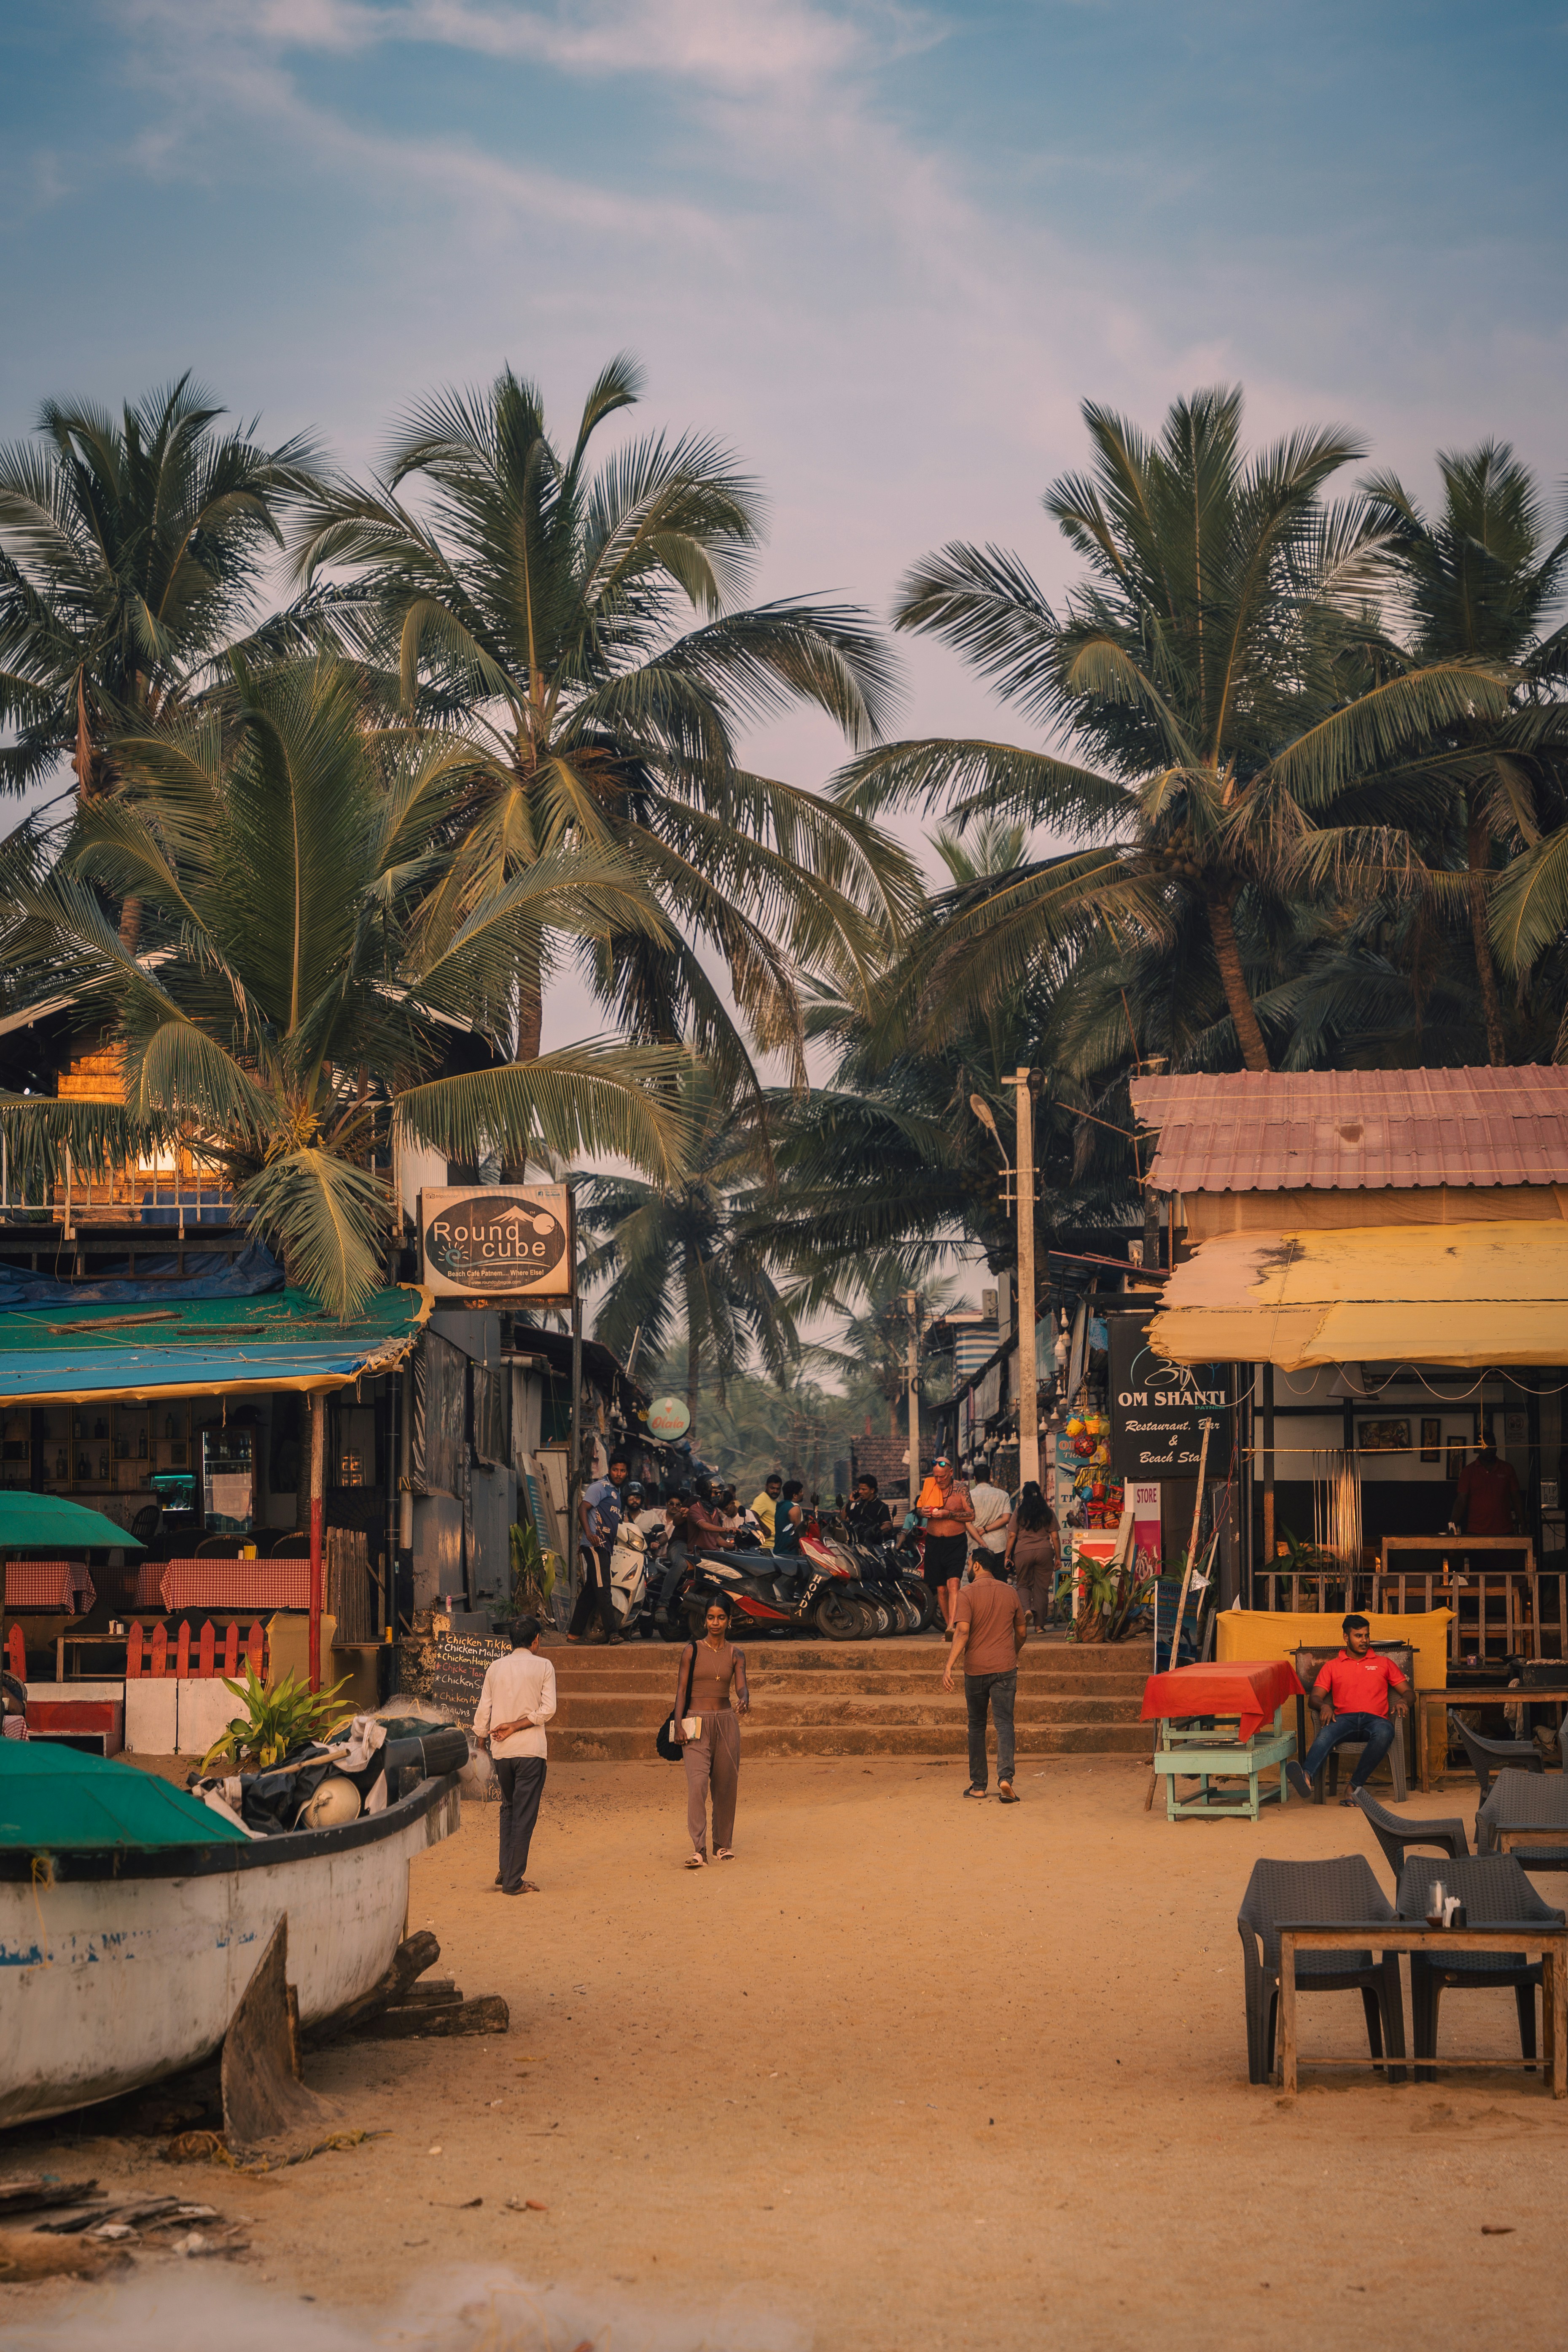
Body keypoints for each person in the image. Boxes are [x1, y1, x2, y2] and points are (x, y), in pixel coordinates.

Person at [1286, 1615, 1412, 1806]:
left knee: (1386, 1731)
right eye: (1359, 1636)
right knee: (1325, 1734)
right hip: (1344, 1720)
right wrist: (1324, 1706)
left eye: (1367, 1636)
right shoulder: (1332, 1667)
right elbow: (1314, 1698)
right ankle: (1306, 1776)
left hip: (1376, 1721)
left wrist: (1404, 1701)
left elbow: (1410, 1693)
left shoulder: (1384, 1663)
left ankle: (1353, 1788)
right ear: (1346, 1637)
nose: (1365, 1641)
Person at [473, 1614, 556, 1893]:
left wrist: (482, 1739)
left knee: (508, 1808)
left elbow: (484, 1709)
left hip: (502, 1753)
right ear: (535, 1641)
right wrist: (518, 1725)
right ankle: (513, 1881)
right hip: (530, 1752)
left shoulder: (496, 1667)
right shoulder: (544, 1666)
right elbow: (548, 1710)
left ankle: (505, 1869)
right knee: (524, 1815)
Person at [941, 1546, 1026, 1800]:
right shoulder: (1010, 1593)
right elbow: (1022, 1632)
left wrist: (949, 1665)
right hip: (1005, 1669)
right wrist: (1013, 1653)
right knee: (1004, 1724)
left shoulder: (966, 1594)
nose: (968, 1568)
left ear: (977, 1565)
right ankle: (1005, 1779)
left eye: (969, 1564)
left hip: (976, 1670)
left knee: (977, 1725)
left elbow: (963, 1631)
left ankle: (978, 1786)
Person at [672, 1593, 750, 1865]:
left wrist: (744, 1698)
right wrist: (679, 1722)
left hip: (726, 1722)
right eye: (710, 1617)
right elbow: (681, 1689)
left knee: (726, 1785)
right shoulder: (691, 1651)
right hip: (696, 1722)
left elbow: (741, 1684)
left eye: (720, 1618)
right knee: (697, 1785)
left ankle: (722, 1845)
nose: (715, 1623)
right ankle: (698, 1849)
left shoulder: (735, 1654)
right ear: (705, 1620)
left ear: (728, 1621)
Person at [569, 1452, 628, 1644]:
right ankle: (613, 1633)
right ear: (609, 1470)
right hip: (596, 1545)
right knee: (604, 1589)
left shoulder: (617, 1493)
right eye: (615, 1470)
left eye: (623, 1471)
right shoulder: (600, 1487)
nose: (619, 1474)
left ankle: (574, 1634)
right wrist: (589, 1535)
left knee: (591, 1590)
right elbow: (582, 1508)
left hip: (605, 1546)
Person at [920, 1457, 974, 1636]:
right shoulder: (929, 1486)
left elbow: (971, 1515)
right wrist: (923, 1511)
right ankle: (948, 1627)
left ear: (951, 1473)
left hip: (955, 1542)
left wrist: (949, 1514)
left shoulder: (961, 1489)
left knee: (954, 1584)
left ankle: (953, 1626)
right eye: (936, 1476)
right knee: (941, 1589)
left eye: (943, 1476)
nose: (939, 1480)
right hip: (934, 1542)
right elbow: (920, 1508)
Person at [1005, 1482, 1061, 1629]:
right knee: (1041, 1589)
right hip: (1044, 1551)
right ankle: (1039, 1627)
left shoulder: (1019, 1511)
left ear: (1024, 1495)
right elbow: (1055, 1536)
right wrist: (1059, 1558)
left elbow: (1012, 1535)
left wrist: (1007, 1556)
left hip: (1023, 1552)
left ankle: (1027, 1610)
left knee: (1023, 1584)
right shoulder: (1047, 1512)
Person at [1455, 1429, 1522, 1536]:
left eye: (1492, 1446)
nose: (1489, 1450)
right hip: (1476, 1531)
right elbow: (1461, 1501)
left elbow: (1516, 1498)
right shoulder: (1468, 1471)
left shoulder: (1507, 1469)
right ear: (1478, 1449)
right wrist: (1452, 1525)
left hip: (1504, 1530)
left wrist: (1524, 1525)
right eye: (1485, 1447)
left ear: (1496, 1447)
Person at [967, 1466, 1012, 1575]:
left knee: (978, 1583)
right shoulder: (1003, 1495)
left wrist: (980, 1539)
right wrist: (985, 1529)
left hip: (976, 1546)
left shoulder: (968, 1496)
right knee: (999, 1582)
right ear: (990, 1477)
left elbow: (967, 1523)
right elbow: (1006, 1518)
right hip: (999, 1546)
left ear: (975, 1479)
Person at [845, 1474, 893, 1548]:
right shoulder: (859, 1506)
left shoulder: (881, 1506)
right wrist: (850, 1502)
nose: (860, 1492)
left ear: (872, 1490)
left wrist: (873, 1533)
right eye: (860, 1489)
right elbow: (844, 1519)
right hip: (856, 1545)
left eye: (864, 1489)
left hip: (873, 1547)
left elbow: (888, 1525)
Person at [751, 1472, 784, 1545]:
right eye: (772, 1488)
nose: (775, 1491)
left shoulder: (774, 1502)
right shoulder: (763, 1499)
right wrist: (765, 1530)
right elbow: (752, 1514)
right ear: (766, 1486)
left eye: (778, 1489)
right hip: (766, 1546)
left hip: (775, 1546)